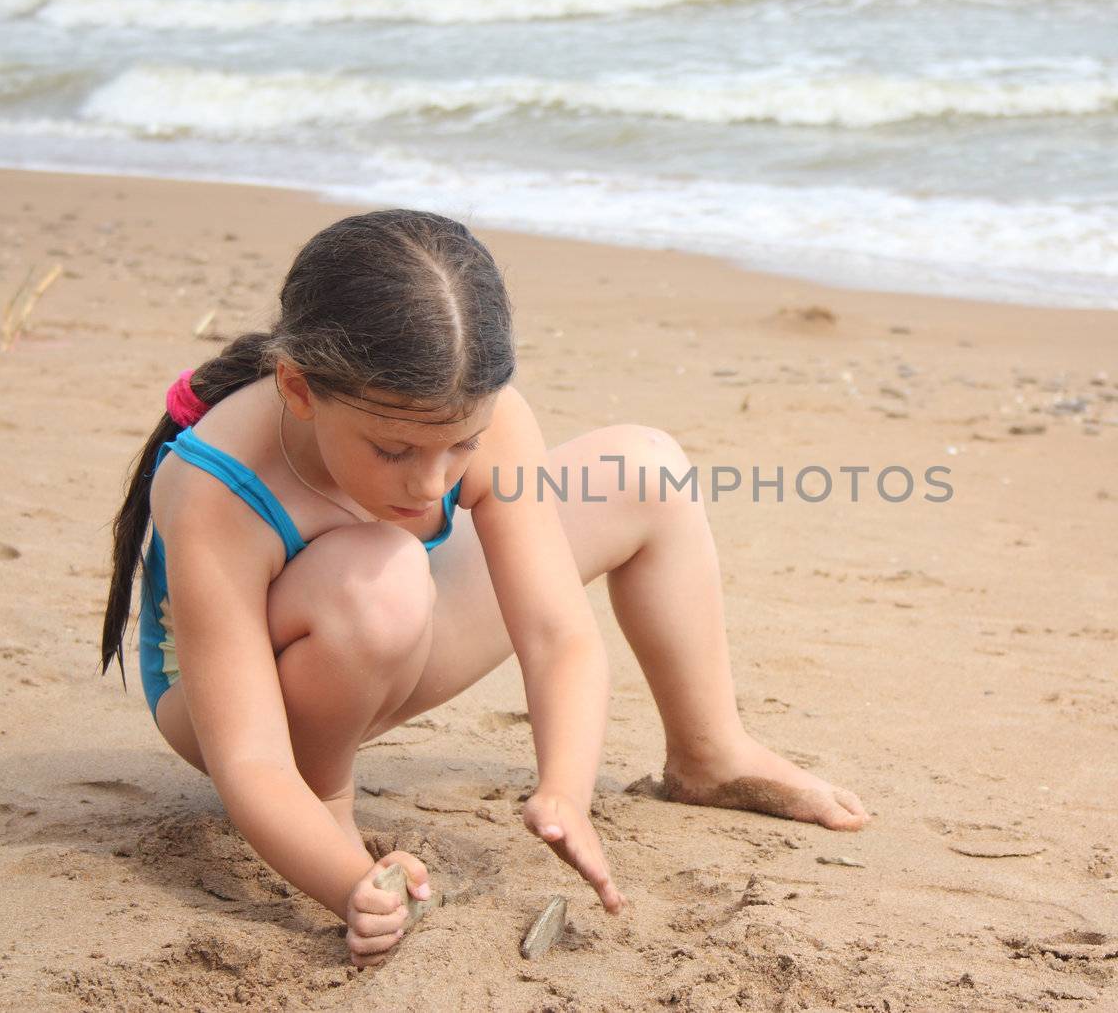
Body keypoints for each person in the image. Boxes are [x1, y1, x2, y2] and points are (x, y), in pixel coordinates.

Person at [100, 209, 868, 967]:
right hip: (236, 708)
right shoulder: (215, 488)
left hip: (388, 627)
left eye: (460, 444)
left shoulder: (476, 420)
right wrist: (345, 882)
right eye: (394, 448)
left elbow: (558, 634)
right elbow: (252, 762)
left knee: (647, 467)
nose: (433, 481)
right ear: (300, 389)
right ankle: (330, 799)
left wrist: (564, 786)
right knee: (382, 576)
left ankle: (710, 750)